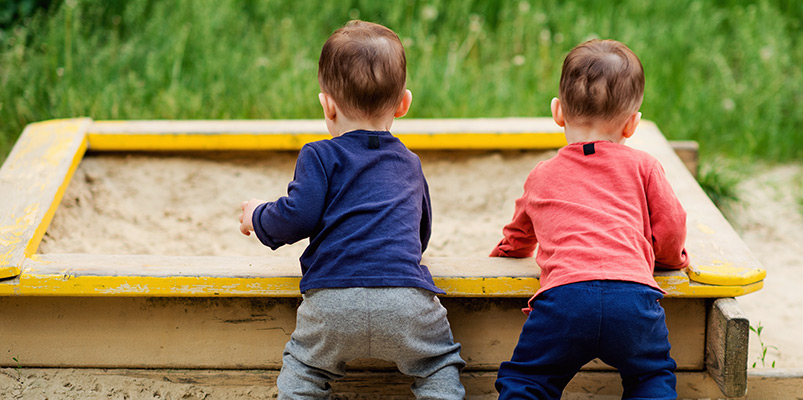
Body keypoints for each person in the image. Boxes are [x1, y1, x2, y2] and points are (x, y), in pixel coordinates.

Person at [238, 20, 465, 400]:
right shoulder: (409, 161)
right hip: (406, 301)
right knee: (437, 365)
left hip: (332, 300)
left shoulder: (319, 155)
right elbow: (420, 232)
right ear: (403, 104)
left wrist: (257, 216)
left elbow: (296, 216)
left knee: (305, 370)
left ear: (326, 104)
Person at [490, 39, 690, 400]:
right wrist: (669, 260)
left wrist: (505, 253)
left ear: (557, 112)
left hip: (564, 300)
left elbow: (519, 232)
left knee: (529, 381)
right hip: (633, 299)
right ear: (632, 124)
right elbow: (671, 225)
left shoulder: (543, 173)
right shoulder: (644, 166)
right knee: (650, 376)